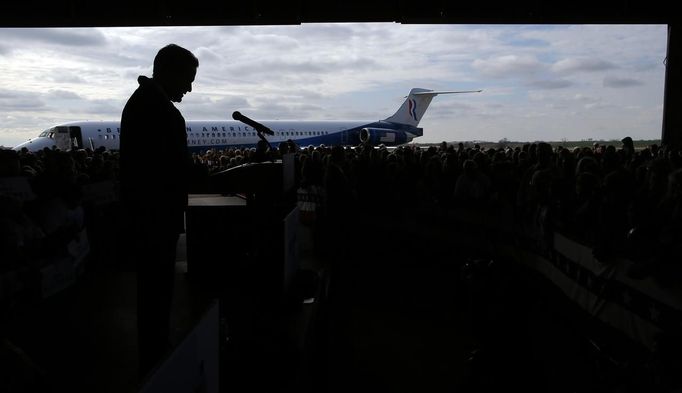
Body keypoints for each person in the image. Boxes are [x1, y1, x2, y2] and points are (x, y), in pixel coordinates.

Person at [118, 44, 198, 377]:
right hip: (156, 218)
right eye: (188, 79)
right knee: (156, 294)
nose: (190, 88)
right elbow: (173, 168)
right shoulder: (160, 110)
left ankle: (154, 355)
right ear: (170, 71)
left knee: (153, 293)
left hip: (145, 216)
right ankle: (156, 365)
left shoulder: (141, 102)